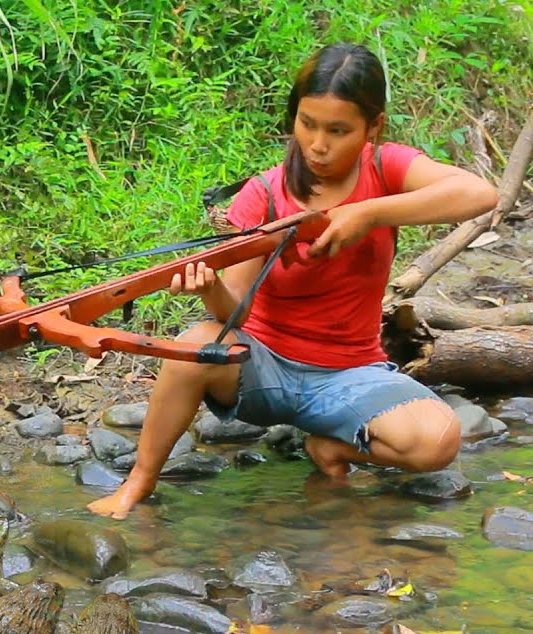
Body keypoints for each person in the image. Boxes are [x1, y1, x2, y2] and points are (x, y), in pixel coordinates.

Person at [88, 42, 499, 520]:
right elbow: (232, 311)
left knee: (438, 440)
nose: (319, 144)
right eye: (307, 124)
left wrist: (366, 212)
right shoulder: (262, 194)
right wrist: (210, 290)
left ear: (374, 127)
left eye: (338, 130)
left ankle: (333, 448)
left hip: (351, 373)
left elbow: (479, 192)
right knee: (193, 346)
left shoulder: (385, 168)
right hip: (263, 370)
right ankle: (137, 482)